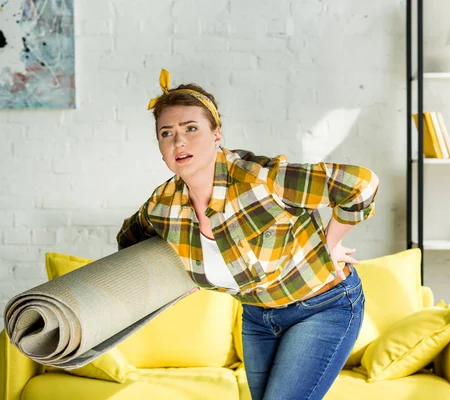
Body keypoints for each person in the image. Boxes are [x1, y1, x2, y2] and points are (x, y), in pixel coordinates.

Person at [116, 69, 379, 400]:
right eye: (166, 133)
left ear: (216, 135)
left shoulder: (261, 181)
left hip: (323, 306)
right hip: (257, 318)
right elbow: (129, 242)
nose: (178, 141)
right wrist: (173, 280)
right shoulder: (163, 206)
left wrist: (332, 241)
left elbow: (360, 184)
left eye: (191, 128)